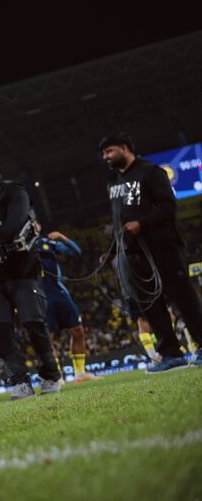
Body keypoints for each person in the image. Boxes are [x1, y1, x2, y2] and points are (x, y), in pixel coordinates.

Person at [0, 152, 61, 399]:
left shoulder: (15, 192)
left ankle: (50, 376)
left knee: (33, 323)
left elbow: (13, 227)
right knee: (0, 328)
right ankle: (19, 382)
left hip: (23, 271)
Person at [98, 133, 202, 372]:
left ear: (124, 148)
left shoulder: (151, 172)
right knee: (151, 306)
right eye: (103, 153)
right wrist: (111, 250)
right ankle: (171, 354)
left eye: (109, 151)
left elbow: (168, 206)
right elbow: (118, 221)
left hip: (163, 248)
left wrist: (142, 224)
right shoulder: (114, 183)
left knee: (183, 299)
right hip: (134, 254)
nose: (106, 157)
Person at [33, 223, 97, 381]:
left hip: (59, 293)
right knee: (47, 338)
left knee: (78, 330)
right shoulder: (21, 248)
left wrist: (62, 237)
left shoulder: (49, 243)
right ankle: (56, 377)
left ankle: (80, 373)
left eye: (36, 223)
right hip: (39, 297)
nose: (34, 225)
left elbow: (76, 252)